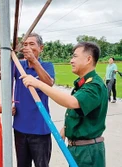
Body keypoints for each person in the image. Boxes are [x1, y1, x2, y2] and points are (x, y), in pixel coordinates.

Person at [21, 42, 108, 167]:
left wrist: (39, 84)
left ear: (89, 59)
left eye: (75, 56)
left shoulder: (94, 86)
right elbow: (80, 113)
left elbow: (72, 102)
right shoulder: (82, 83)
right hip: (78, 149)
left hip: (87, 151)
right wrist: (66, 128)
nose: (71, 61)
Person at [13, 33, 55, 167]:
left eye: (32, 44)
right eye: (25, 45)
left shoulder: (47, 66)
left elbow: (49, 83)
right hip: (20, 128)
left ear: (41, 48)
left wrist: (34, 61)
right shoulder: (18, 66)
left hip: (40, 129)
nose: (28, 47)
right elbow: (1, 77)